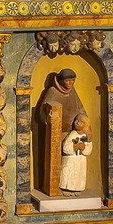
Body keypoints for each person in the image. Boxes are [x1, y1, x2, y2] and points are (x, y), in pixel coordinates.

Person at [35, 68, 88, 200]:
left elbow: (81, 109)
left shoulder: (73, 91)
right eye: (68, 80)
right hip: (57, 134)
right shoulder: (52, 92)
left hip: (74, 133)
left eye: (72, 81)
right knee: (59, 163)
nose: (70, 83)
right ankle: (58, 186)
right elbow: (42, 112)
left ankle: (73, 186)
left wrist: (87, 126)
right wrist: (48, 118)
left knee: (72, 163)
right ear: (61, 80)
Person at [58, 125, 92, 196]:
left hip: (80, 158)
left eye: (81, 122)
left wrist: (84, 148)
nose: (77, 123)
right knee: (68, 172)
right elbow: (66, 146)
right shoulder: (72, 134)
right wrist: (74, 147)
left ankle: (77, 188)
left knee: (79, 173)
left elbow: (89, 148)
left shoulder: (86, 135)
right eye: (77, 121)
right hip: (70, 158)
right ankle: (66, 188)